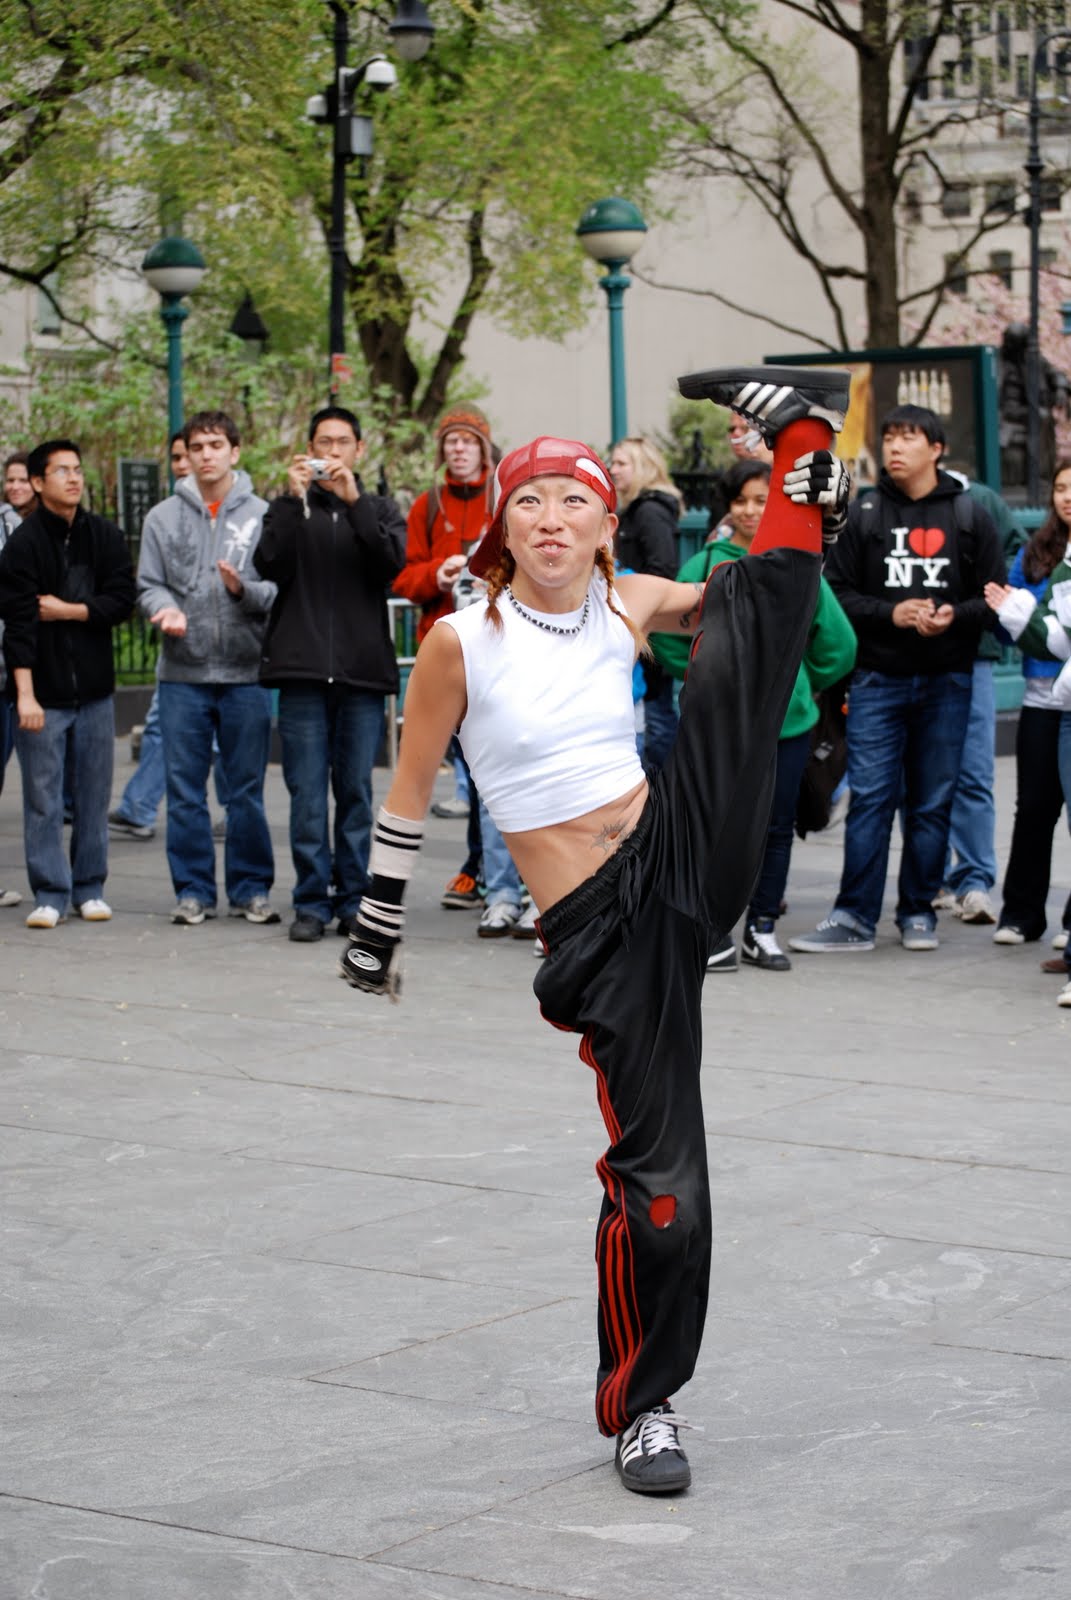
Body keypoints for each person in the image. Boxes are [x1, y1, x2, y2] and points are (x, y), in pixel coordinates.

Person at [337, 362, 852, 1496]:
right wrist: (376, 931)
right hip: (602, 930)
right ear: (502, 530)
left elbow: (762, 614)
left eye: (576, 497)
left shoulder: (630, 600)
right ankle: (645, 1403)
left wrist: (799, 523)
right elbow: (409, 789)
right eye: (530, 499)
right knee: (662, 1191)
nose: (554, 516)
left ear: (605, 523)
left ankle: (808, 431)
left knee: (751, 608)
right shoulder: (458, 643)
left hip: (676, 844)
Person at [790, 403, 1005, 955]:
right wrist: (894, 614)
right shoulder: (864, 514)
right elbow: (835, 593)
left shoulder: (969, 515)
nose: (894, 448)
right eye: (888, 438)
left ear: (936, 449)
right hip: (878, 680)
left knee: (933, 801)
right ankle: (854, 916)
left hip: (948, 680)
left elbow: (995, 598)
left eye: (908, 438)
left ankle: (917, 913)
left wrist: (954, 615)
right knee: (871, 800)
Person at [656, 458, 856, 972]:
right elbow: (663, 634)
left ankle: (762, 927)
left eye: (760, 499)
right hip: (720, 726)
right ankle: (714, 930)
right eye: (740, 499)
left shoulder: (797, 562)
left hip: (787, 725)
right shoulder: (705, 565)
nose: (749, 510)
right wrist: (705, 679)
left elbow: (838, 643)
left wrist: (794, 678)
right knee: (715, 824)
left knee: (775, 826)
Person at [252, 405, 407, 941]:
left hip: (361, 674)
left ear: (359, 451)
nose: (333, 452)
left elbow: (391, 563)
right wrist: (294, 500)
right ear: (310, 449)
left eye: (343, 442)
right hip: (301, 671)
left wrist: (354, 502)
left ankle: (354, 900)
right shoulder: (287, 507)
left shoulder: (380, 508)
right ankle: (310, 902)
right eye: (324, 442)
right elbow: (268, 563)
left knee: (357, 792)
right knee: (307, 793)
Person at [137, 410, 279, 927]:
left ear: (234, 452)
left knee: (245, 792)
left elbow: (275, 591)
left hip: (245, 674)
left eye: (216, 444)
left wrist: (243, 589)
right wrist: (163, 609)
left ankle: (250, 889)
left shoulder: (263, 515)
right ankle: (193, 890)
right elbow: (148, 583)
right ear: (187, 456)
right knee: (185, 791)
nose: (206, 454)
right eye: (196, 446)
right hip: (182, 675)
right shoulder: (161, 518)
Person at [393, 404, 525, 932]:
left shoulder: (507, 500)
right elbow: (404, 580)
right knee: (462, 765)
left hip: (500, 649)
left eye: (469, 441)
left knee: (493, 766)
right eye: (451, 441)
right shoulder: (427, 507)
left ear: (485, 448)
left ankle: (488, 873)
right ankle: (483, 871)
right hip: (445, 652)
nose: (459, 448)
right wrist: (437, 571)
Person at [0, 438, 135, 926]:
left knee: (95, 794)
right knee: (42, 797)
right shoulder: (23, 546)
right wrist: (25, 694)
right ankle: (50, 892)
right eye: (62, 471)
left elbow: (121, 600)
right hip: (43, 693)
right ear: (38, 483)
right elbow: (18, 625)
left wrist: (70, 610)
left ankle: (89, 886)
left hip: (96, 690)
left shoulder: (105, 535)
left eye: (78, 470)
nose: (74, 478)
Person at [983, 459, 1071, 954]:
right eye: (1059, 487)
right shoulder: (1036, 552)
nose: (1066, 496)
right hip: (1041, 698)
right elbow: (1009, 623)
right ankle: (1021, 912)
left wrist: (1029, 615)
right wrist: (1010, 612)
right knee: (1034, 808)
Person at [933, 474, 1026, 926]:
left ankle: (972, 880)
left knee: (972, 773)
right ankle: (931, 878)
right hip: (906, 659)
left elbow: (1016, 558)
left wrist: (982, 589)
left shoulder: (981, 501)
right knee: (918, 778)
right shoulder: (883, 505)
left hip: (973, 654)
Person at [108, 432, 196, 843]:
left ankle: (141, 806)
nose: (181, 464)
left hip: (227, 656)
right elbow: (150, 582)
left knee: (222, 739)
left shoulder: (243, 514)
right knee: (163, 727)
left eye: (188, 454)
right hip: (178, 649)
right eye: (177, 456)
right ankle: (139, 807)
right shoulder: (166, 515)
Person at [608, 437, 683, 771]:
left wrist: (638, 605)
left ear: (643, 465)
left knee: (657, 716)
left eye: (621, 463)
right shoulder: (639, 510)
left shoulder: (649, 511)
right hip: (644, 627)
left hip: (650, 631)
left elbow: (663, 569)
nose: (613, 469)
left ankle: (662, 795)